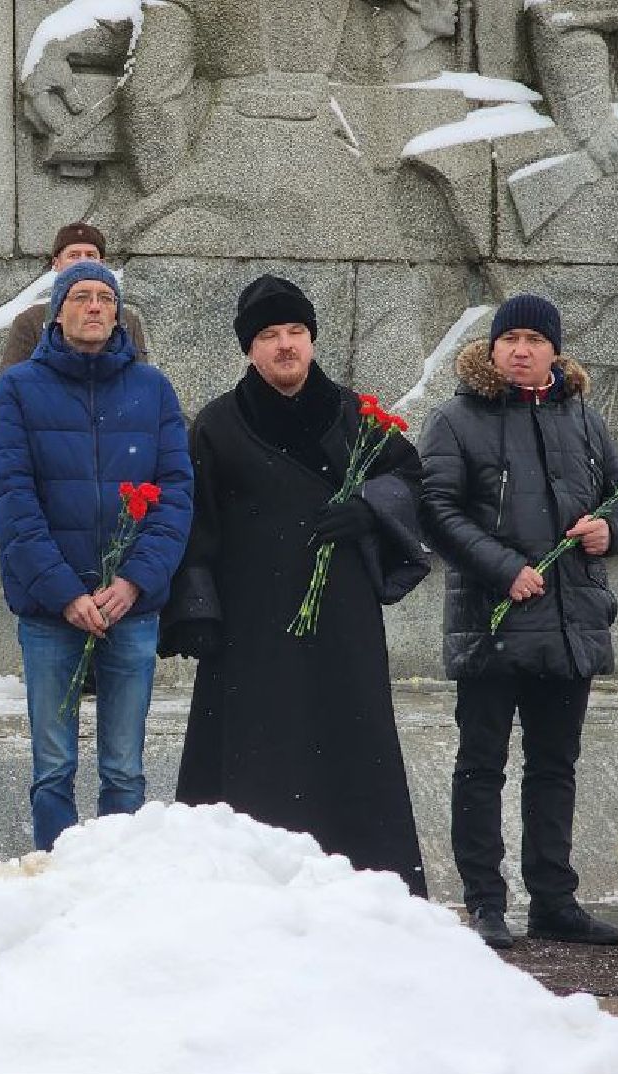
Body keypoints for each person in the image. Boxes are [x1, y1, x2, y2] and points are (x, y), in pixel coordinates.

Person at [164, 275, 431, 897]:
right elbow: (194, 521)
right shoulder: (218, 425)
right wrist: (198, 608)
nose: (285, 345)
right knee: (258, 756)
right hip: (253, 625)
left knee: (349, 746)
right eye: (269, 335)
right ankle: (252, 890)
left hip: (342, 622)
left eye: (295, 332)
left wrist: (370, 507)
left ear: (311, 340)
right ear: (248, 349)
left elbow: (413, 482)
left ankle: (371, 888)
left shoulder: (354, 416)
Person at [419, 294, 618, 950]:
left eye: (533, 338)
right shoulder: (454, 420)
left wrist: (612, 528)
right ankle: (485, 904)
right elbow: (435, 507)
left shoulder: (581, 417)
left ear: (553, 349)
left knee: (554, 765)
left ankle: (553, 900)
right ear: (491, 348)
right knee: (480, 764)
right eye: (508, 337)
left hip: (569, 621)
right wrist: (502, 568)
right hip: (493, 622)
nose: (520, 349)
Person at [0, 262, 193, 852]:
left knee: (125, 768)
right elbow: (11, 500)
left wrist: (133, 581)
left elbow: (175, 495)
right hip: (53, 612)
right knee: (53, 766)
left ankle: (115, 885)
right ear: (58, 311)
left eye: (106, 297)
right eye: (82, 297)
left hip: (131, 607)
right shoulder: (20, 389)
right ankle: (57, 877)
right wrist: (65, 593)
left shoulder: (152, 389)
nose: (96, 306)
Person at [0, 223, 151, 372]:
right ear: (56, 264)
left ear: (102, 264)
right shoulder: (30, 320)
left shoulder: (127, 319)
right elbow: (14, 382)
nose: (82, 261)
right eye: (74, 255)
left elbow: (141, 380)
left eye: (90, 256)